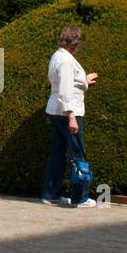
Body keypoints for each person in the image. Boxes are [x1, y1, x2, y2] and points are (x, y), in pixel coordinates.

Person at [41, 25, 99, 208]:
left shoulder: (58, 55)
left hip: (56, 111)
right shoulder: (66, 60)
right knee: (77, 154)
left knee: (57, 153)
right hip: (68, 111)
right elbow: (65, 90)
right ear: (75, 43)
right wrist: (71, 117)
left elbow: (65, 83)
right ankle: (80, 197)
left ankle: (51, 194)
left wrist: (84, 80)